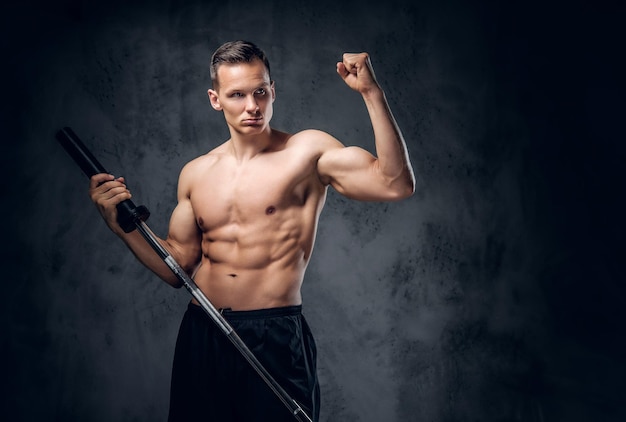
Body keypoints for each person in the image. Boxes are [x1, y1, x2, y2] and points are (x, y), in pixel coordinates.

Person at [89, 40, 415, 421]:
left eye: (260, 92)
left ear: (272, 90)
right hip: (204, 330)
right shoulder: (196, 172)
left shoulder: (306, 151)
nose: (252, 106)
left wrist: (371, 94)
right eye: (237, 95)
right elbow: (178, 267)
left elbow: (395, 183)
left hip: (273, 336)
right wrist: (122, 228)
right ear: (216, 99)